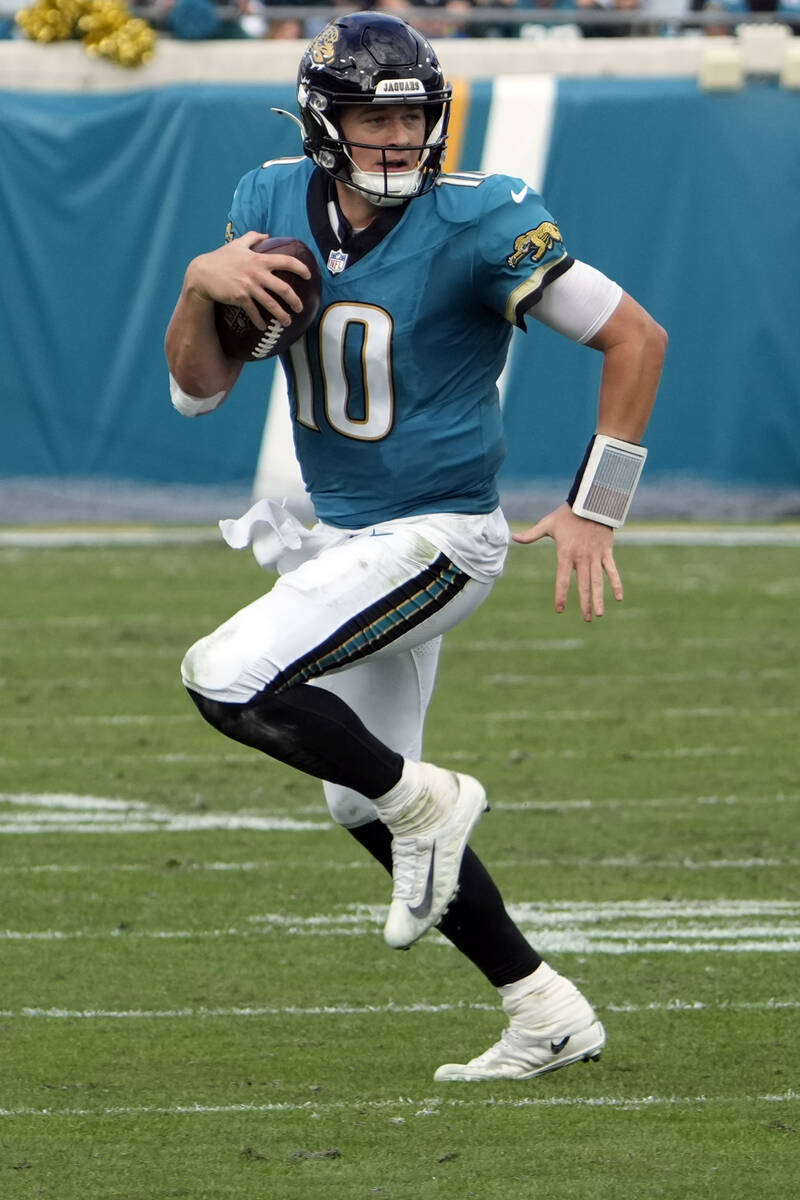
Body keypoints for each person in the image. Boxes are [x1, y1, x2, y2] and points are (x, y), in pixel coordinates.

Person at [165, 10, 667, 1082]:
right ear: (320, 122)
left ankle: (430, 799)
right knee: (355, 795)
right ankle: (542, 1009)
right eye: (369, 120)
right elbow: (197, 391)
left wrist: (595, 505)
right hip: (350, 538)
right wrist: (200, 282)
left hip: (443, 536)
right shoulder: (265, 202)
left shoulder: (482, 219)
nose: (395, 143)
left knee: (224, 678)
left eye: (410, 122)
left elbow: (636, 336)